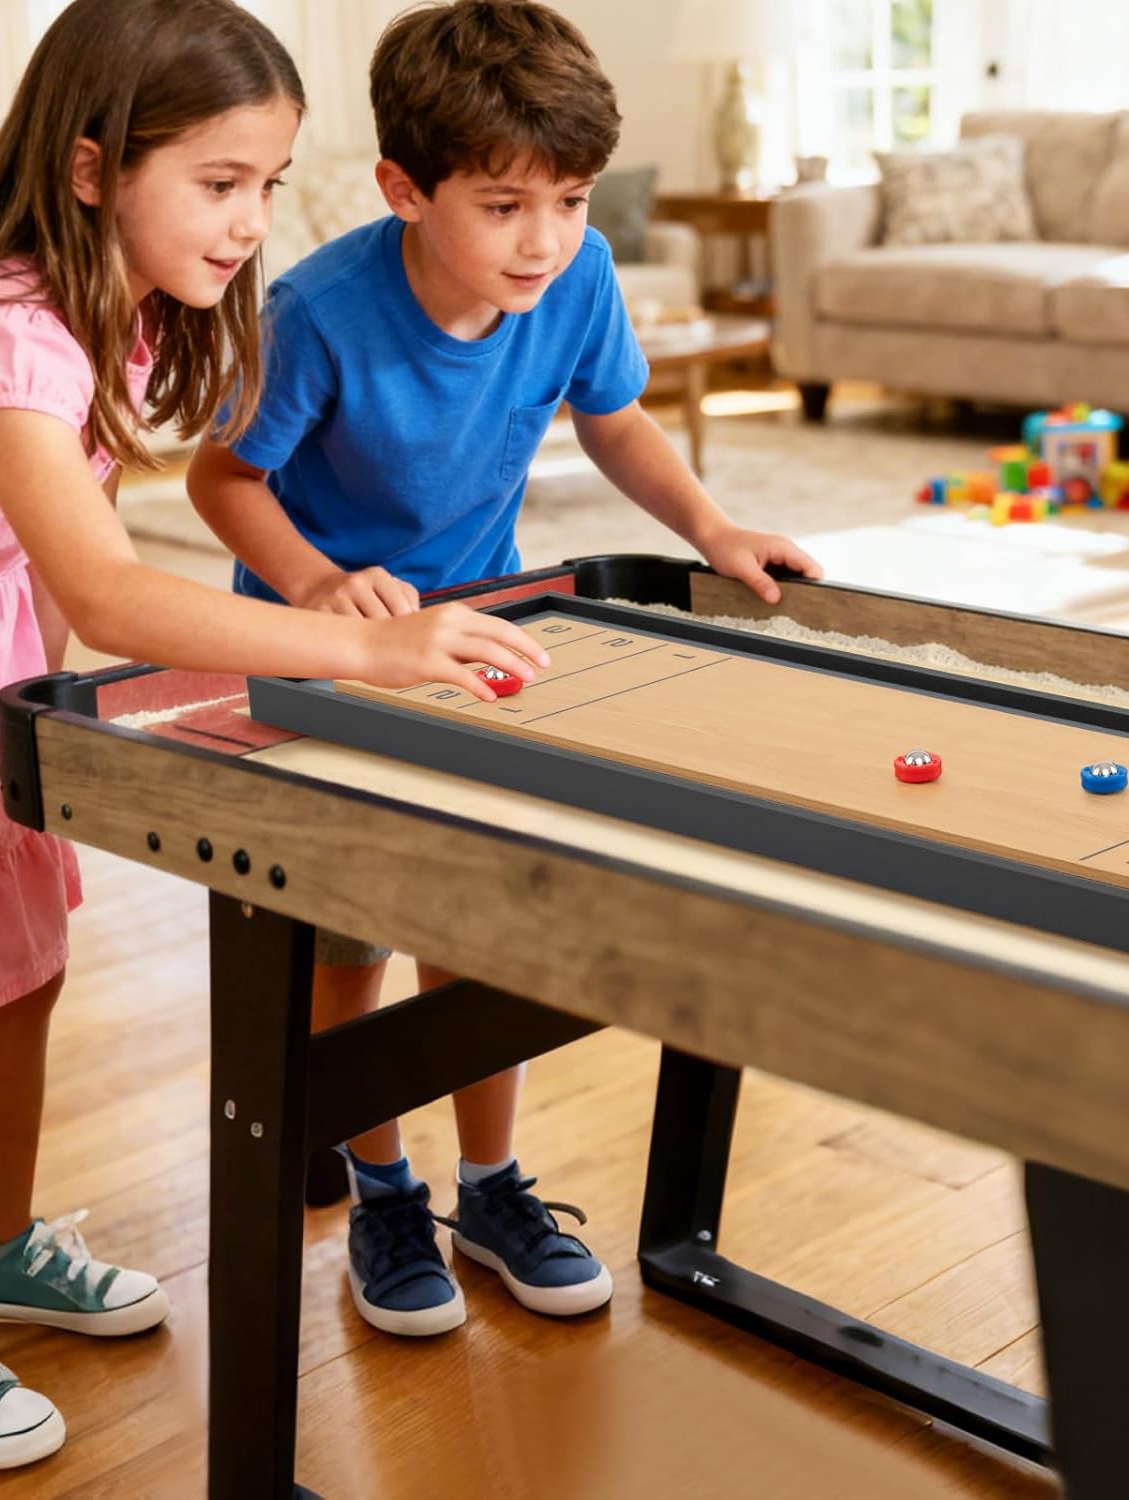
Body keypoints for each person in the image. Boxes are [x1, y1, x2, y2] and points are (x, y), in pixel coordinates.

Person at [0, 0, 549, 1466]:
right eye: (220, 184)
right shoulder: (1, 327)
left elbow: (50, 572)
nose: (250, 223)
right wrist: (362, 644)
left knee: (16, 978)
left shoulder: (94, 304)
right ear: (95, 168)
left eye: (270, 186)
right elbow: (105, 586)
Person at [187, 0, 821, 1337]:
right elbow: (220, 475)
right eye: (505, 205)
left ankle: (490, 1183)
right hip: (325, 662)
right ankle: (379, 1186)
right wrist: (311, 582)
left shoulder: (574, 284)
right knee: (350, 931)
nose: (546, 242)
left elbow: (616, 421)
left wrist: (713, 529)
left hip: (481, 642)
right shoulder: (318, 313)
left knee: (481, 918)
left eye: (574, 201)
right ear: (405, 191)